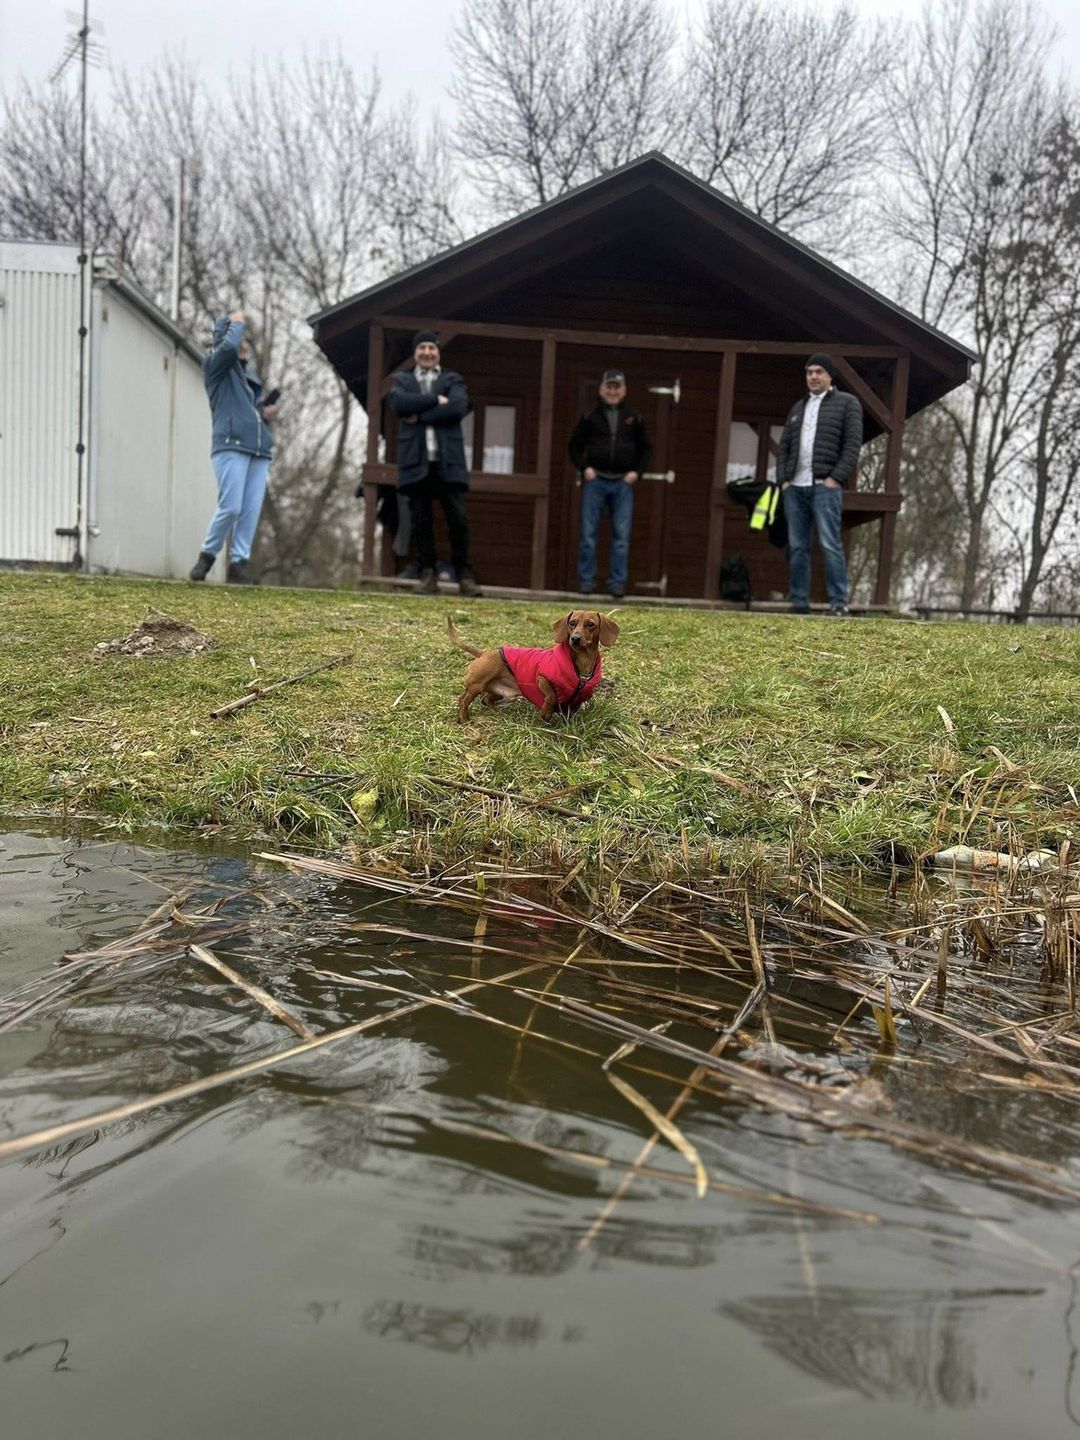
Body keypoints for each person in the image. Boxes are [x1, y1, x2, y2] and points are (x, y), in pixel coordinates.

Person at [387, 331, 480, 598]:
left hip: (448, 462)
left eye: (431, 348)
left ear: (438, 352)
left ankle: (465, 575)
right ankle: (427, 575)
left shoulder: (452, 379)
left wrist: (418, 416)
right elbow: (398, 404)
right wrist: (435, 400)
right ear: (415, 353)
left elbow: (458, 407)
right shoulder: (402, 380)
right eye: (422, 348)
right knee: (421, 521)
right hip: (416, 462)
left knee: (458, 520)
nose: (427, 352)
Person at [189, 310, 277, 585]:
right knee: (231, 507)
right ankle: (207, 556)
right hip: (230, 445)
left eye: (245, 340)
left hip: (258, 450)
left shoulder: (245, 375)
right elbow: (227, 348)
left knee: (249, 511)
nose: (244, 344)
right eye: (240, 338)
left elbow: (243, 411)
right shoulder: (215, 365)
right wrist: (237, 322)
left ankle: (239, 563)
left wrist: (262, 414)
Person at [775, 353, 863, 616]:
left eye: (819, 372)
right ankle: (799, 602)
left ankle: (839, 603)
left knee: (829, 544)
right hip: (795, 488)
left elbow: (852, 445)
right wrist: (784, 481)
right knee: (797, 547)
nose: (813, 376)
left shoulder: (848, 403)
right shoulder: (797, 408)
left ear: (830, 376)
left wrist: (835, 478)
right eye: (809, 372)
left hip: (825, 486)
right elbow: (784, 448)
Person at [568, 369, 650, 599]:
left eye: (617, 387)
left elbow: (645, 449)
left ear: (624, 390)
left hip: (622, 483)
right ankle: (586, 581)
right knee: (588, 535)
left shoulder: (634, 417)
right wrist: (584, 469)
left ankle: (617, 583)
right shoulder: (590, 416)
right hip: (596, 481)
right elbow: (574, 446)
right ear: (602, 389)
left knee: (621, 537)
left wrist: (636, 473)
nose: (612, 391)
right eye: (609, 387)